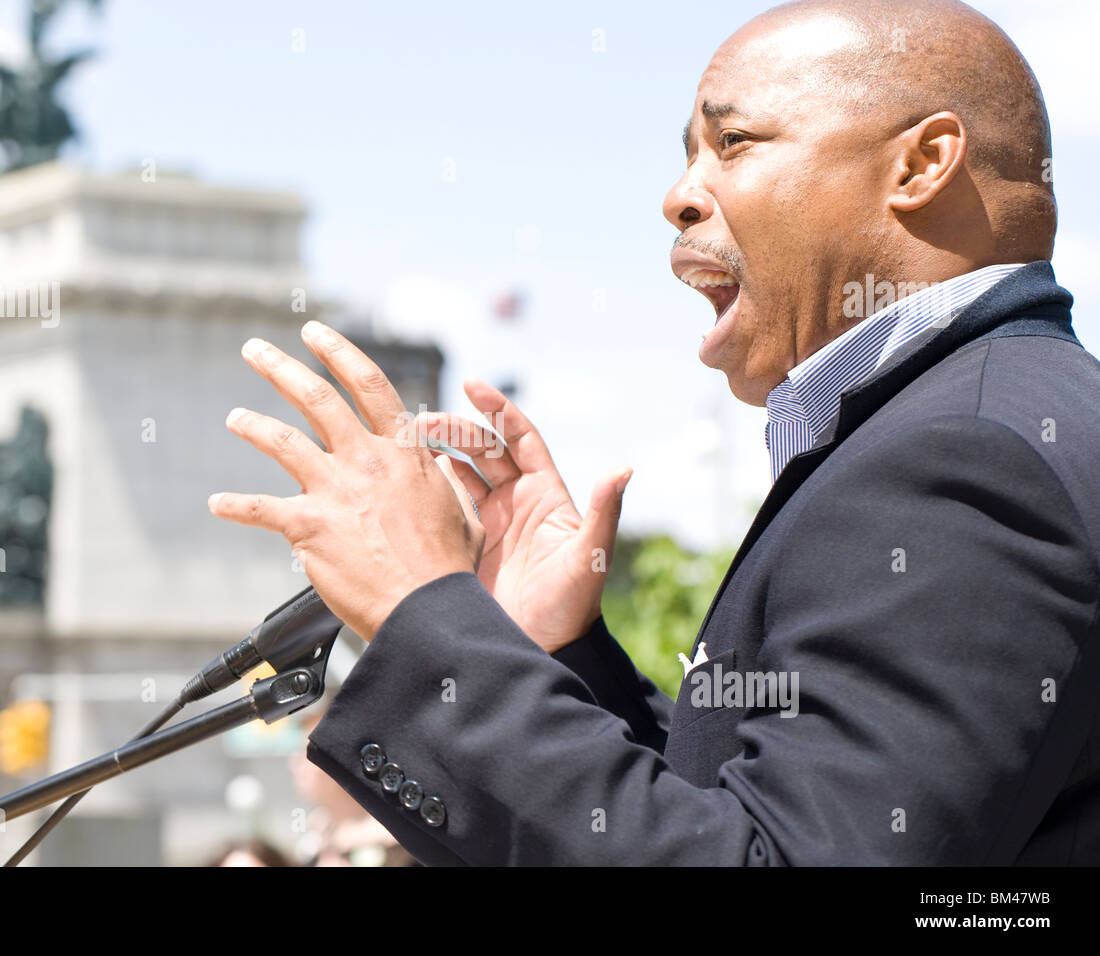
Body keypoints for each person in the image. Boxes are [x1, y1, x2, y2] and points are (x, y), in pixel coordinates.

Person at [207, 0, 1100, 864]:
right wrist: (552, 654)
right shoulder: (979, 418)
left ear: (922, 164)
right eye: (688, 156)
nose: (679, 197)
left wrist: (424, 612)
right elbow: (753, 819)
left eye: (733, 143)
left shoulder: (958, 462)